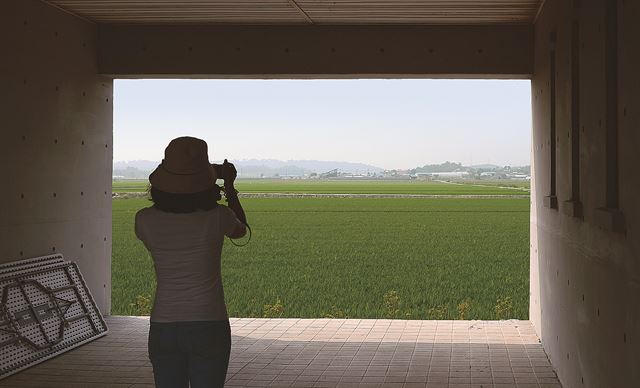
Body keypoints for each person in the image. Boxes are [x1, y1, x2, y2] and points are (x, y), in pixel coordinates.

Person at [134, 136, 247, 388]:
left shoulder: (143, 220)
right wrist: (229, 187)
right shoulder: (219, 217)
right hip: (209, 322)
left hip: (163, 325)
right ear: (208, 181)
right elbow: (241, 230)